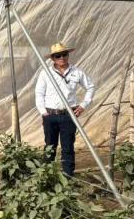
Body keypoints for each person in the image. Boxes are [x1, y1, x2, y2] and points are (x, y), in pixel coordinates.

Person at [34, 42, 95, 176]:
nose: (62, 57)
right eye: (58, 55)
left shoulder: (77, 72)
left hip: (69, 115)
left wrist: (83, 105)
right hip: (50, 115)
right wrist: (43, 113)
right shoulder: (46, 73)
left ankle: (68, 176)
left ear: (68, 55)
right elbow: (39, 93)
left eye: (64, 54)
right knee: (50, 147)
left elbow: (90, 87)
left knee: (68, 147)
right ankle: (47, 177)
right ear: (52, 58)